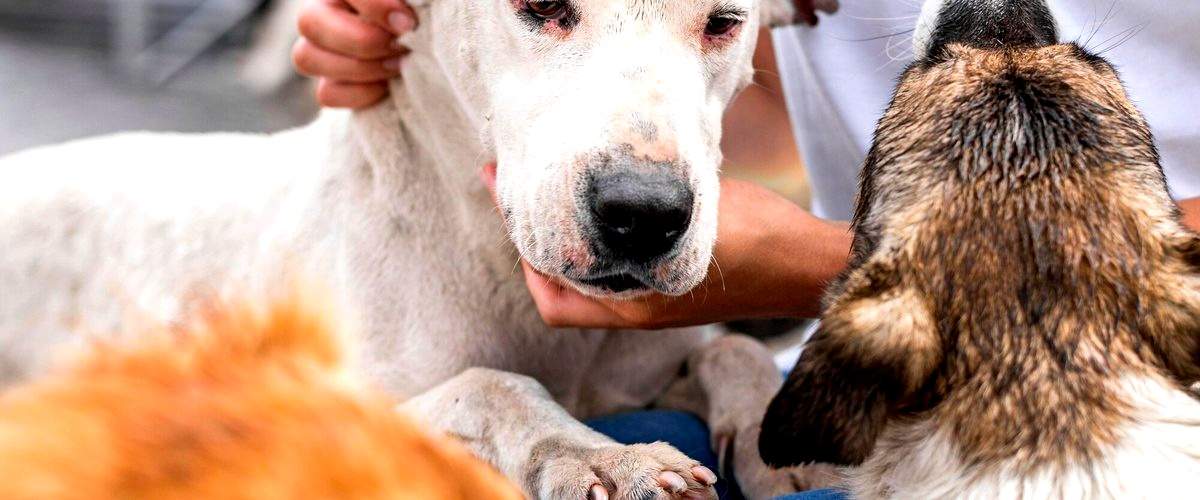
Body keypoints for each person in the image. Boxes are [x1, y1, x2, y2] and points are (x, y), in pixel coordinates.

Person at [290, 1, 1200, 498]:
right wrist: (426, 52)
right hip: (858, 387)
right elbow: (754, 120)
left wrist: (823, 264)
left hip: (1152, 390)